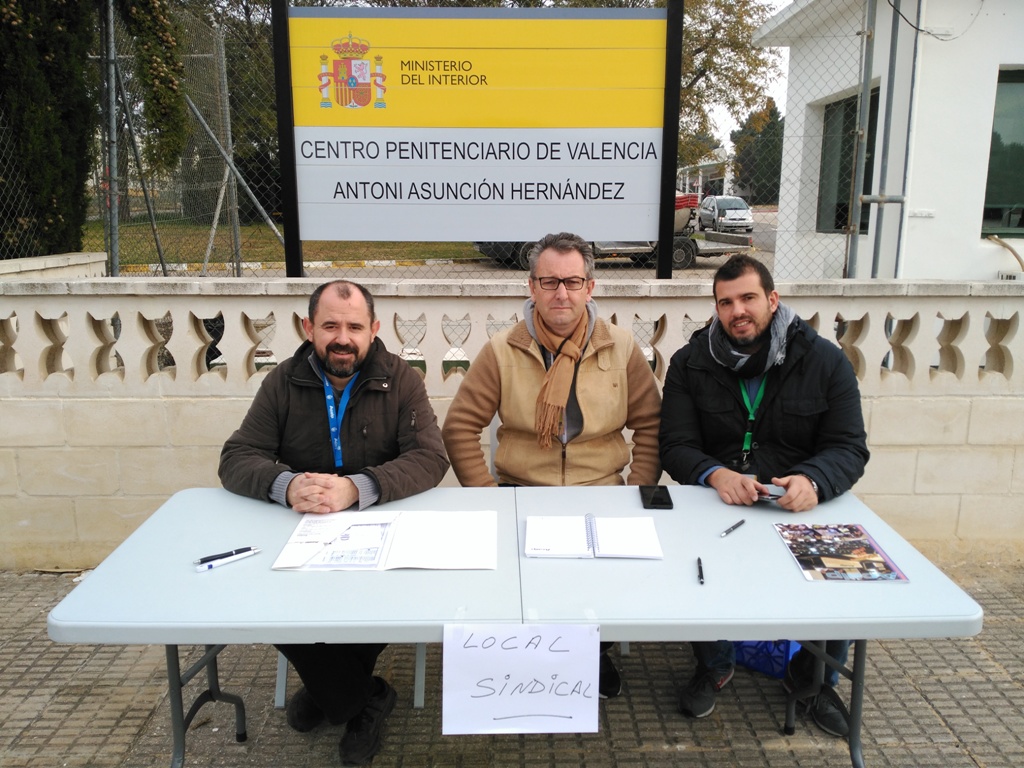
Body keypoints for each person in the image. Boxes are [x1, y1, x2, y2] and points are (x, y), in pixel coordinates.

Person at [219, 279, 449, 766]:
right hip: (299, 532)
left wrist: (359, 487)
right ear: (308, 328)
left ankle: (334, 694)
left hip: (379, 530)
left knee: (381, 598)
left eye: (354, 327)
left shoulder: (402, 380)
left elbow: (431, 458)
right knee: (265, 598)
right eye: (330, 326)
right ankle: (363, 697)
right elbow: (237, 456)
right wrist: (285, 485)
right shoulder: (282, 381)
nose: (342, 338)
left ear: (374, 329)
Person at [441, 231, 662, 697]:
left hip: (601, 493)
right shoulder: (502, 350)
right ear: (532, 286)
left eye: (572, 281)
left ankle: (590, 652)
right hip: (522, 491)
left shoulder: (622, 348)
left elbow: (651, 425)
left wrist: (634, 491)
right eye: (549, 281)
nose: (561, 293)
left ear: (590, 287)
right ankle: (534, 657)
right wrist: (489, 498)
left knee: (609, 584)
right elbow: (459, 427)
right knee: (521, 583)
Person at [659, 254, 869, 737]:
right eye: (725, 302)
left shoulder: (824, 360)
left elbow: (849, 447)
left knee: (844, 576)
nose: (738, 311)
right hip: (720, 504)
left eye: (748, 298)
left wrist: (813, 481)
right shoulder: (690, 363)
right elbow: (676, 444)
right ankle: (715, 664)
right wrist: (715, 474)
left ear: (772, 300)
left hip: (799, 505)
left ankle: (813, 680)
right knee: (697, 568)